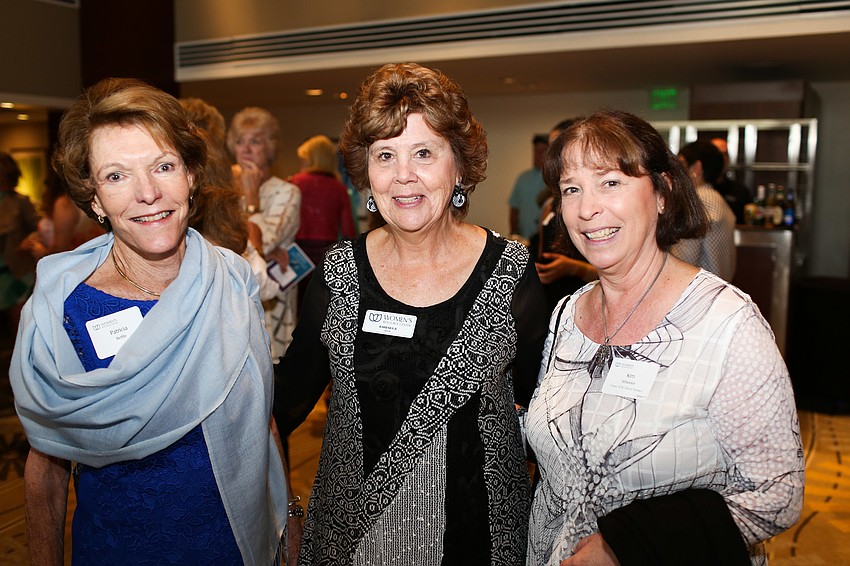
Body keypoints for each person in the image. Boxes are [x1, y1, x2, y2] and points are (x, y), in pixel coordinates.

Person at [10, 78, 294, 565]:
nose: (148, 193)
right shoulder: (63, 307)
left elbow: (261, 420)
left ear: (189, 176)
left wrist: (285, 529)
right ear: (94, 198)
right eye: (117, 176)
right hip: (117, 547)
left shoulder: (230, 280)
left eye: (163, 166)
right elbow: (48, 459)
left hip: (236, 544)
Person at [273, 62, 549, 564]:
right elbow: (282, 401)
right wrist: (283, 512)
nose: (404, 175)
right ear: (365, 173)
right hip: (350, 541)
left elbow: (552, 417)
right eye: (385, 155)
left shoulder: (512, 274)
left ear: (459, 165)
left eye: (424, 152)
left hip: (482, 541)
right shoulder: (336, 275)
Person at [525, 109, 804, 565]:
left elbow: (777, 493)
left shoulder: (727, 323)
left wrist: (627, 545)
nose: (586, 208)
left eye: (610, 182)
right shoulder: (566, 313)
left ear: (661, 193)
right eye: (571, 188)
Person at [227, 106, 301, 359]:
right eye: (240, 141)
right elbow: (221, 248)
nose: (246, 149)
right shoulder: (224, 195)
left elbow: (265, 243)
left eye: (255, 141)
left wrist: (251, 200)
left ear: (270, 148)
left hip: (273, 303)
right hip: (233, 303)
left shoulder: (288, 193)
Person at [531, 119, 597, 312]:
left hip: (581, 295)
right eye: (550, 147)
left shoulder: (590, 204)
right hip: (550, 297)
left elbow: (614, 274)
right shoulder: (551, 202)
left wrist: (571, 268)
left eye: (559, 145)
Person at [290, 134, 357, 302]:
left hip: (296, 252)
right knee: (322, 305)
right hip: (327, 253)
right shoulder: (339, 188)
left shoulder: (293, 183)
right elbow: (349, 231)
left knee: (295, 305)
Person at [672, 139, 737, 281]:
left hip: (697, 296)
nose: (675, 173)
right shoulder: (716, 198)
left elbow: (683, 260)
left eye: (681, 165)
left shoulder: (696, 200)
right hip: (718, 292)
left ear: (696, 168)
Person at [21, 171, 105, 260]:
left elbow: (61, 249)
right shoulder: (83, 200)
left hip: (72, 264)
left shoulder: (65, 204)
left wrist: (42, 252)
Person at [0, 151, 40, 336]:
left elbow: (38, 229)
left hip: (15, 272)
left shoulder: (20, 202)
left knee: (21, 328)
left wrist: (27, 242)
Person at [509, 133, 549, 242]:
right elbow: (514, 209)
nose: (537, 155)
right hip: (524, 240)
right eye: (536, 151)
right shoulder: (523, 178)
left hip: (545, 242)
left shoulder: (553, 178)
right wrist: (514, 233)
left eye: (542, 152)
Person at [711, 137, 753, 225]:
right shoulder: (696, 190)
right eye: (717, 154)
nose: (721, 158)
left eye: (724, 154)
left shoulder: (740, 191)